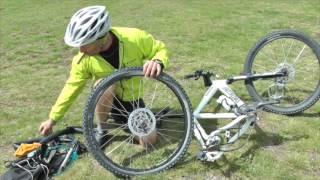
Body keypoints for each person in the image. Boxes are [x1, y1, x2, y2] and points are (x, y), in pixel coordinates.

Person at [38, 5, 169, 146]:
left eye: (85, 44)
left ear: (102, 38)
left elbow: (159, 49)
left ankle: (138, 123)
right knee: (104, 83)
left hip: (133, 101)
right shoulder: (83, 59)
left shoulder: (134, 38)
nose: (81, 50)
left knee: (149, 142)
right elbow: (71, 88)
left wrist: (158, 61)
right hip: (107, 101)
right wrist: (52, 119)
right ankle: (102, 130)